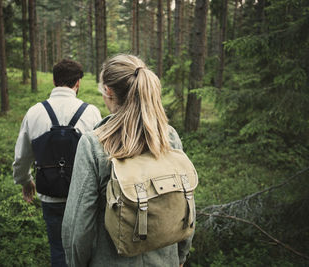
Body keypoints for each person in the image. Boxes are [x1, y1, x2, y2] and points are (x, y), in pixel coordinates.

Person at [62, 54, 194, 267]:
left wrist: (75, 262)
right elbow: (186, 202)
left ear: (108, 91)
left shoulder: (94, 144)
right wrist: (181, 256)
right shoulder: (168, 137)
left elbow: (79, 222)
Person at [13, 59, 102, 267]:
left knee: (58, 249)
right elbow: (100, 157)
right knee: (87, 250)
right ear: (78, 83)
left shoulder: (34, 112)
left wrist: (25, 180)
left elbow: (22, 156)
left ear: (53, 80)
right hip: (83, 197)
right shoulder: (91, 112)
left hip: (50, 195)